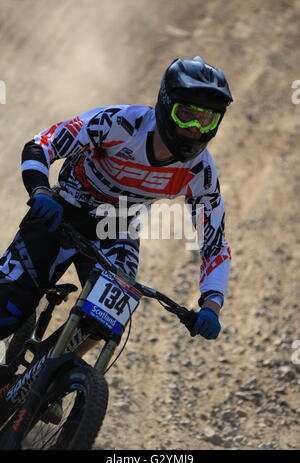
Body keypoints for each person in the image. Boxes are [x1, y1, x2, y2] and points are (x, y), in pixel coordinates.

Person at [0, 56, 232, 351]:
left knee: (107, 319)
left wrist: (212, 305)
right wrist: (41, 192)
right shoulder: (118, 123)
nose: (193, 129)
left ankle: (47, 378)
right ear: (164, 104)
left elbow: (214, 243)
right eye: (184, 113)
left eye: (205, 119)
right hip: (63, 211)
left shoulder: (201, 171)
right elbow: (41, 145)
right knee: (6, 312)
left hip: (116, 229)